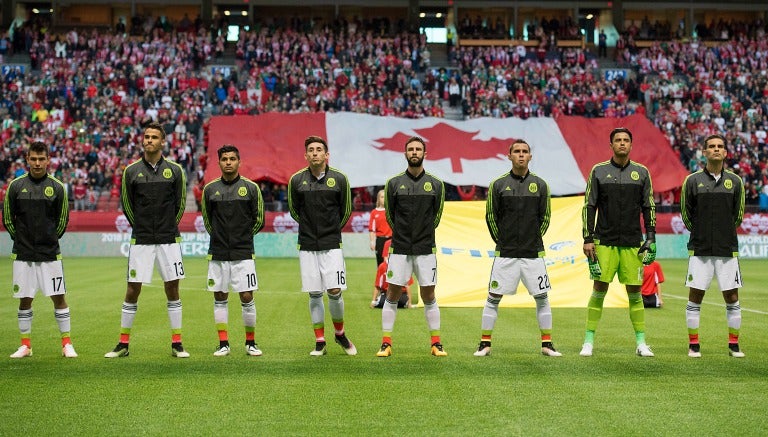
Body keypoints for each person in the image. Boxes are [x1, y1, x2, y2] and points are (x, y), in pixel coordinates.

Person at [104, 122, 188, 358]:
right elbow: (127, 206)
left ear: (163, 142)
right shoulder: (131, 171)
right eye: (147, 137)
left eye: (154, 137)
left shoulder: (175, 170)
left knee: (172, 287)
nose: (149, 140)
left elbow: (180, 205)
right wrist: (140, 226)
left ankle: (177, 343)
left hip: (168, 239)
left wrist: (167, 227)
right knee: (132, 289)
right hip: (141, 239)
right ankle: (123, 344)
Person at [474, 140, 562, 357]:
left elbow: (545, 218)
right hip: (506, 253)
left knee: (542, 297)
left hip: (533, 254)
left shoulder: (541, 185)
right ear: (509, 156)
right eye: (517, 152)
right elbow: (491, 217)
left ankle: (547, 344)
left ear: (530, 156)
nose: (521, 155)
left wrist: (531, 238)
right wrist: (503, 240)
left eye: (525, 152)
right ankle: (485, 343)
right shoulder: (498, 185)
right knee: (493, 297)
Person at [580, 127, 656, 357]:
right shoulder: (599, 171)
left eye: (626, 140)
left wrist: (651, 236)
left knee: (635, 291)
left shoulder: (641, 173)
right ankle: (588, 341)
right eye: (618, 140)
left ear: (631, 145)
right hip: (604, 241)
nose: (622, 143)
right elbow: (589, 205)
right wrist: (588, 238)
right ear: (611, 145)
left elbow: (648, 206)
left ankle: (641, 343)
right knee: (599, 288)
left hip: (633, 242)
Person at [3, 141, 77, 358]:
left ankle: (66, 344)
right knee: (25, 298)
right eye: (33, 159)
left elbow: (62, 220)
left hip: (49, 254)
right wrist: (23, 240)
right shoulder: (15, 186)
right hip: (23, 253)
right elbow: (8, 219)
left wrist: (48, 239)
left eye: (40, 159)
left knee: (59, 296)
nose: (37, 163)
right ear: (27, 159)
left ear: (48, 160)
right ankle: (25, 345)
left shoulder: (56, 187)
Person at [376, 136, 446, 357]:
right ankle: (386, 343)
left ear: (425, 154)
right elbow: (390, 215)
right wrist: (404, 234)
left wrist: (422, 233)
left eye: (418, 149)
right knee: (393, 292)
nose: (414, 152)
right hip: (400, 248)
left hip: (426, 248)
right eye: (411, 149)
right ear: (405, 154)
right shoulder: (394, 183)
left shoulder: (436, 184)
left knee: (428, 293)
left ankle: (436, 343)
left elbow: (436, 216)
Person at [288, 135, 357, 356]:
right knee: (315, 293)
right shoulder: (296, 181)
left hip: (331, 243)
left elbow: (346, 210)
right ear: (306, 155)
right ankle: (320, 341)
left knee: (335, 291)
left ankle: (340, 334)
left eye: (319, 149)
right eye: (311, 150)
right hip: (307, 244)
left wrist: (330, 229)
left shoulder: (340, 179)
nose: (315, 153)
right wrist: (310, 227)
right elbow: (294, 210)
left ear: (326, 155)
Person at [681, 134, 746, 358]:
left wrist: (723, 233)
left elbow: (737, 216)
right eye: (711, 147)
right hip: (700, 249)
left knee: (732, 297)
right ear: (705, 152)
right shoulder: (692, 181)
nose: (716, 149)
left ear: (726, 152)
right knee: (695, 295)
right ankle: (694, 344)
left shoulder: (735, 182)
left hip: (727, 249)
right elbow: (686, 215)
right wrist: (701, 233)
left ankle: (734, 344)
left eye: (720, 146)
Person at [202, 145, 265, 357]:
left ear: (239, 162)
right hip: (218, 252)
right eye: (224, 159)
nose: (228, 162)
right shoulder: (210, 190)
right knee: (219, 296)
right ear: (219, 162)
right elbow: (208, 221)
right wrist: (220, 238)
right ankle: (223, 343)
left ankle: (251, 342)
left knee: (247, 296)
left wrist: (242, 238)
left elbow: (259, 220)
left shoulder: (251, 188)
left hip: (243, 252)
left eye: (232, 159)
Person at [371, 239, 412, 309]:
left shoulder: (403, 265)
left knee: (397, 302)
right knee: (382, 303)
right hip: (387, 293)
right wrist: (373, 301)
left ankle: (404, 302)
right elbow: (377, 285)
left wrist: (410, 303)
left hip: (401, 293)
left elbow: (407, 285)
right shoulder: (383, 266)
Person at [368, 189, 392, 266]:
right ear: (378, 199)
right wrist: (372, 242)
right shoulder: (374, 212)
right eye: (382, 197)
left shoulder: (391, 211)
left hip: (391, 240)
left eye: (385, 197)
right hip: (380, 241)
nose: (384, 199)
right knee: (381, 264)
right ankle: (381, 278)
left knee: (392, 264)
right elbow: (372, 229)